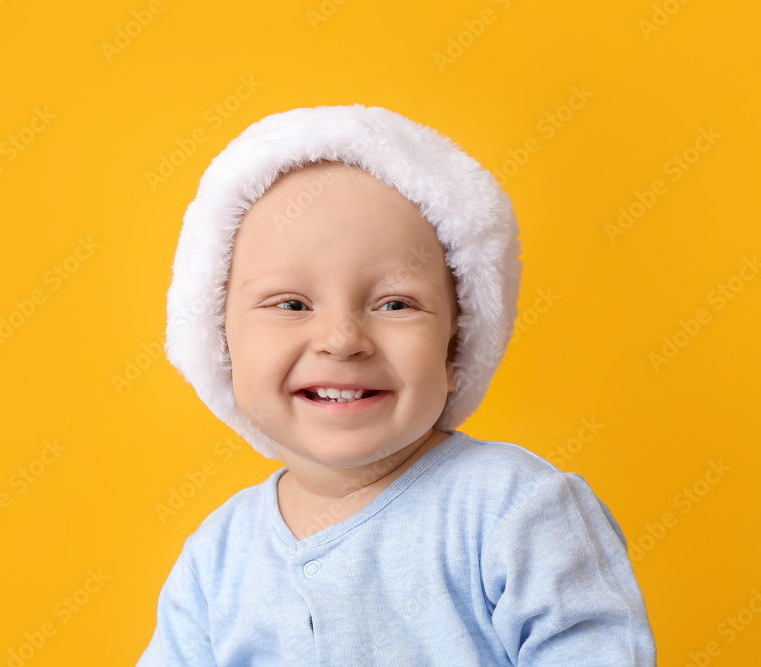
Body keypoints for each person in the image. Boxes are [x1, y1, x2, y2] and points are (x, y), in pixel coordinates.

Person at [138, 105, 656, 665]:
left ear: (456, 346)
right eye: (291, 304)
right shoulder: (216, 559)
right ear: (220, 343)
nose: (341, 338)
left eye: (395, 303)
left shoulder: (515, 510)